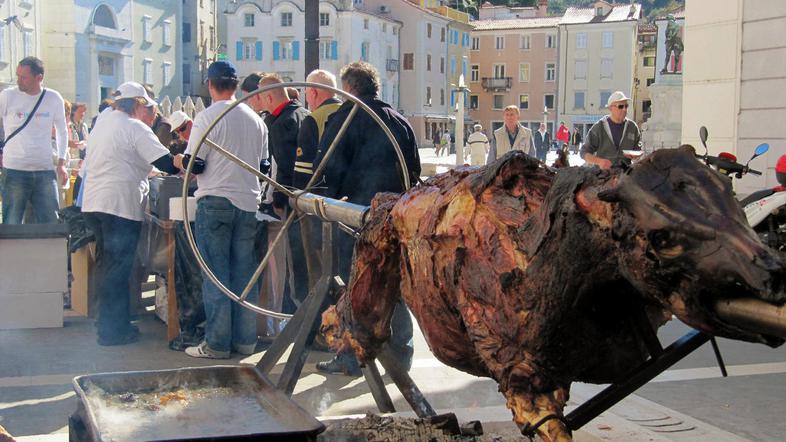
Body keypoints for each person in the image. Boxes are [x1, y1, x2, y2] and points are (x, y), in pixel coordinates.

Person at [315, 61, 421, 376]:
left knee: (356, 286)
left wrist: (328, 203)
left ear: (348, 88)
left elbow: (329, 169)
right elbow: (413, 170)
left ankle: (350, 357)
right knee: (394, 285)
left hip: (357, 217)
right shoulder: (399, 121)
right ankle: (400, 358)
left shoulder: (345, 119)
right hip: (395, 215)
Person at [81, 81, 182, 345]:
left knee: (106, 266)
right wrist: (186, 162)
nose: (150, 114)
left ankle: (108, 323)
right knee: (117, 269)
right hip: (119, 205)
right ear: (137, 104)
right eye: (147, 107)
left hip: (94, 203)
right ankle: (112, 332)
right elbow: (166, 164)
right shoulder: (134, 126)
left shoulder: (104, 119)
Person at [182, 61, 269, 359]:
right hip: (248, 204)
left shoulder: (206, 118)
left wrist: (181, 162)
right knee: (244, 275)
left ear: (209, 84)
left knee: (216, 276)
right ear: (236, 85)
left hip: (216, 202)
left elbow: (197, 164)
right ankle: (245, 341)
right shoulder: (256, 120)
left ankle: (217, 344)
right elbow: (264, 166)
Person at [257, 73, 311, 314]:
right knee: (305, 258)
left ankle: (293, 309)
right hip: (309, 196)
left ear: (269, 96)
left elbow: (282, 166)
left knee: (293, 258)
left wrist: (278, 199)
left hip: (291, 199)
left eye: (261, 97)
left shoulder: (280, 124)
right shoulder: (303, 115)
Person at [0, 57, 69, 224]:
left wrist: (61, 162)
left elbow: (62, 131)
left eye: (23, 77)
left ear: (39, 78)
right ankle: (11, 251)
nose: (18, 81)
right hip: (14, 169)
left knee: (51, 223)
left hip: (44, 170)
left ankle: (48, 251)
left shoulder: (54, 98)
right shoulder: (7, 95)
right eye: (18, 76)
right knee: (12, 223)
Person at [295, 69, 342, 289]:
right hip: (352, 203)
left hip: (321, 206)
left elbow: (304, 175)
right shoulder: (352, 113)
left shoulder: (313, 120)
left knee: (321, 272)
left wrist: (298, 202)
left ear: (313, 92)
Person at [581, 91, 641, 169]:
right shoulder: (599, 128)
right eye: (620, 106)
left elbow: (638, 149)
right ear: (610, 108)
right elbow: (584, 152)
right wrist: (599, 161)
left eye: (626, 106)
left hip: (625, 173)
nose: (624, 109)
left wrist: (636, 155)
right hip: (603, 175)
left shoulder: (633, 127)